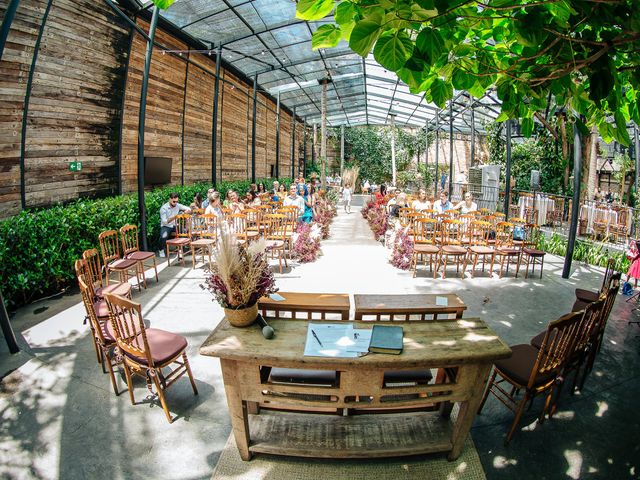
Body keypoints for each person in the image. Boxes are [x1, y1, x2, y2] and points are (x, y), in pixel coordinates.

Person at [159, 193, 191, 257]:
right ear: (170, 199)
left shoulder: (177, 205)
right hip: (166, 226)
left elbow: (188, 208)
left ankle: (181, 248)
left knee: (185, 231)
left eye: (176, 201)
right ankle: (161, 250)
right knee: (163, 237)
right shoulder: (164, 208)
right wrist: (175, 217)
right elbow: (164, 222)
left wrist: (187, 211)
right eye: (174, 201)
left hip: (175, 225)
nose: (175, 203)